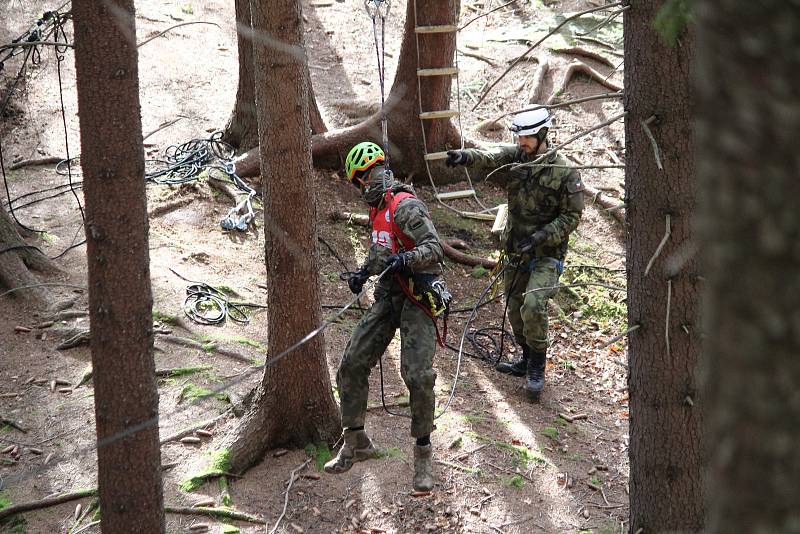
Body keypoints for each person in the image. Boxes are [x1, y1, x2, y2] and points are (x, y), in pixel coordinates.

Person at [324, 141, 448, 492]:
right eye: (363, 179)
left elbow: (435, 249)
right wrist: (363, 273)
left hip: (418, 297)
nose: (368, 183)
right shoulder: (378, 210)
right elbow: (380, 250)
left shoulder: (405, 205)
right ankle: (356, 441)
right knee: (352, 362)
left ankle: (423, 454)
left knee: (418, 374)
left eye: (371, 175)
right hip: (389, 295)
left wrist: (405, 260)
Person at [445, 107, 585, 400]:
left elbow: (571, 217)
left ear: (543, 134)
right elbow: (491, 156)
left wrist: (540, 237)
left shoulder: (565, 172)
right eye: (519, 138)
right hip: (515, 251)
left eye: (527, 138)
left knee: (534, 304)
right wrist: (464, 157)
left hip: (547, 254)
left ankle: (537, 368)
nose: (521, 143)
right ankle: (525, 357)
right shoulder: (517, 157)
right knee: (515, 307)